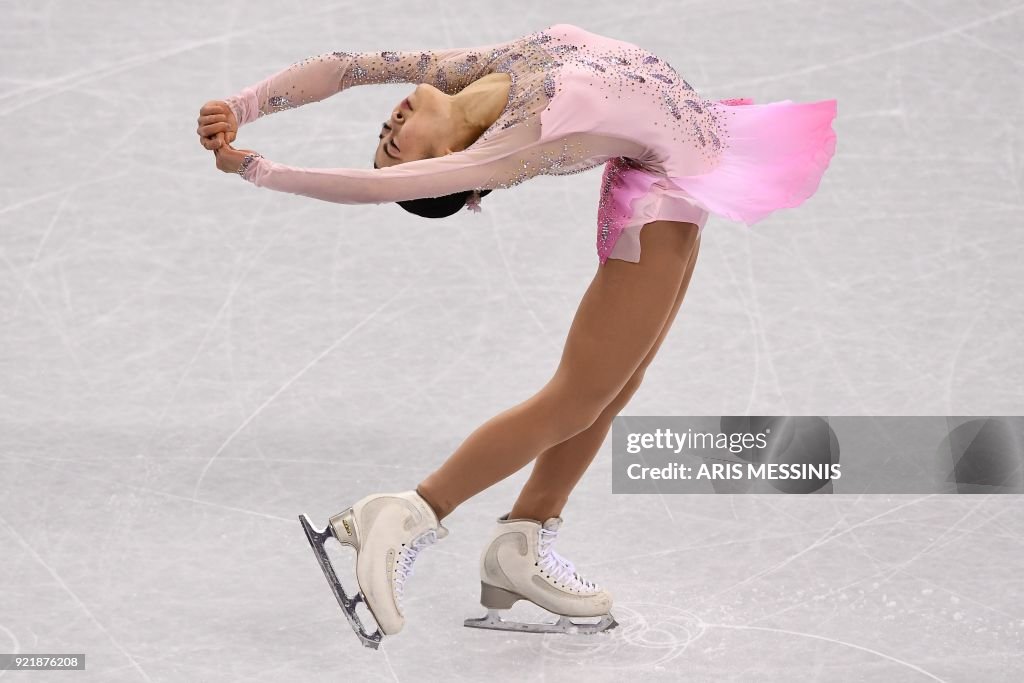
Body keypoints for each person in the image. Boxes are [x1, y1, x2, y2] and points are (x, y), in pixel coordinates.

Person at [196, 23, 837, 647]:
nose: (388, 128)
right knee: (579, 396)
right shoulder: (506, 147)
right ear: (445, 165)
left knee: (615, 384)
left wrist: (242, 105)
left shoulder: (469, 71)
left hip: (675, 165)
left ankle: (520, 547)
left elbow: (344, 66)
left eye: (386, 133)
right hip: (660, 195)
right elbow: (373, 187)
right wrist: (256, 167)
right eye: (396, 145)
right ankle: (405, 515)